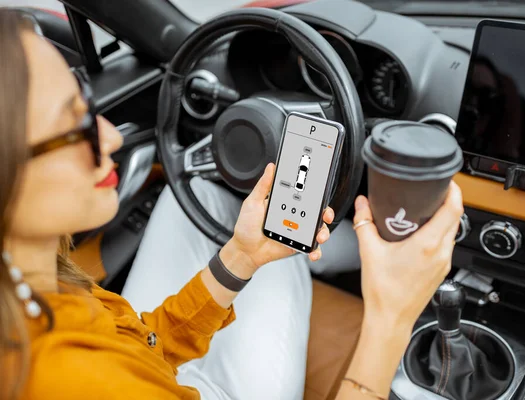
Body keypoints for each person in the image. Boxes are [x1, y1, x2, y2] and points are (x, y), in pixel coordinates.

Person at [0, 9, 463, 400]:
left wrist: (241, 257)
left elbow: (143, 347)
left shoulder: (38, 283)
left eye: (86, 102)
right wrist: (392, 317)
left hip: (162, 376)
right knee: (292, 251)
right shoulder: (68, 377)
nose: (110, 134)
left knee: (205, 200)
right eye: (73, 126)